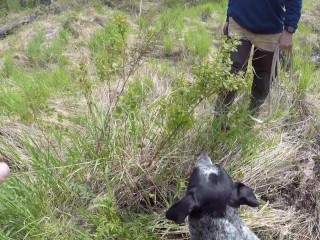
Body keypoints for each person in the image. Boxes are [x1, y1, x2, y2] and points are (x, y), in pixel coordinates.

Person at [216, 0, 302, 119]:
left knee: (264, 76)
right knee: (230, 71)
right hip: (238, 22)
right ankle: (219, 117)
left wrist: (289, 30)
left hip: (270, 28)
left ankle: (251, 116)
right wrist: (228, 17)